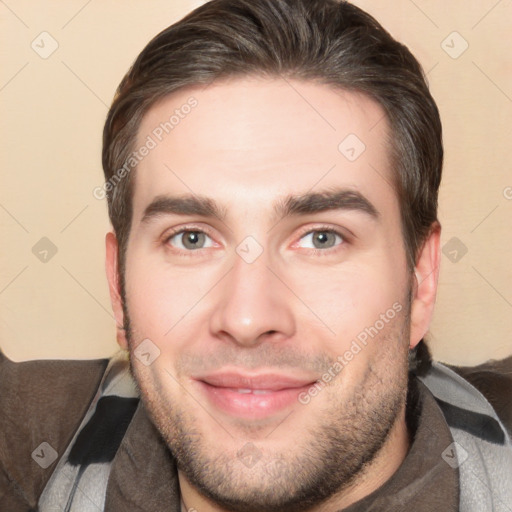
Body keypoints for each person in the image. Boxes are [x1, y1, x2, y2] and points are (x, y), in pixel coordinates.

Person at [1, 0, 511, 511]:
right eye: (192, 238)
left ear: (420, 279)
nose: (247, 318)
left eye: (321, 238)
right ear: (118, 285)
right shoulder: (28, 444)